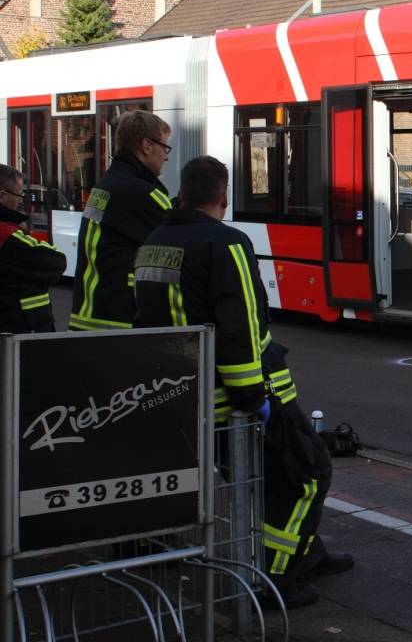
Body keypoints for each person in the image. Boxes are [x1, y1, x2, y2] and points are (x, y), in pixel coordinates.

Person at [134, 156, 352, 609]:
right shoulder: (227, 243)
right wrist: (254, 398)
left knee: (266, 480)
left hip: (182, 393)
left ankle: (308, 552)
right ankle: (276, 579)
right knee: (307, 475)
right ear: (223, 193)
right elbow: (239, 328)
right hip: (236, 397)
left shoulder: (154, 241)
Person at [70, 110, 173, 331]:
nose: (166, 156)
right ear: (147, 145)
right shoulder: (143, 193)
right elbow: (180, 239)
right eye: (164, 147)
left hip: (89, 314)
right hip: (119, 320)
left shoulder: (106, 184)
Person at [0, 164, 66, 333]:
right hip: (17, 335)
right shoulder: (8, 236)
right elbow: (56, 261)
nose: (20, 201)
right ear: (2, 195)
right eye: (19, 195)